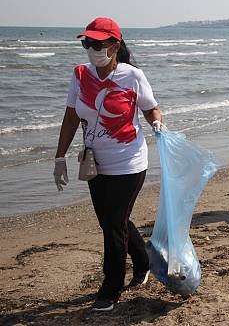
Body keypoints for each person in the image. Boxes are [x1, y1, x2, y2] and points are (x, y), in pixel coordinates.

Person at [53, 18, 166, 311]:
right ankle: (142, 260)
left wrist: (156, 125)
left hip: (129, 162)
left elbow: (151, 107)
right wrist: (59, 157)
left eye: (97, 44)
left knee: (113, 225)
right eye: (86, 43)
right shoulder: (80, 75)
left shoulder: (132, 76)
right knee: (112, 221)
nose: (91, 49)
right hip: (95, 163)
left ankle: (110, 288)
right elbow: (70, 117)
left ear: (114, 46)